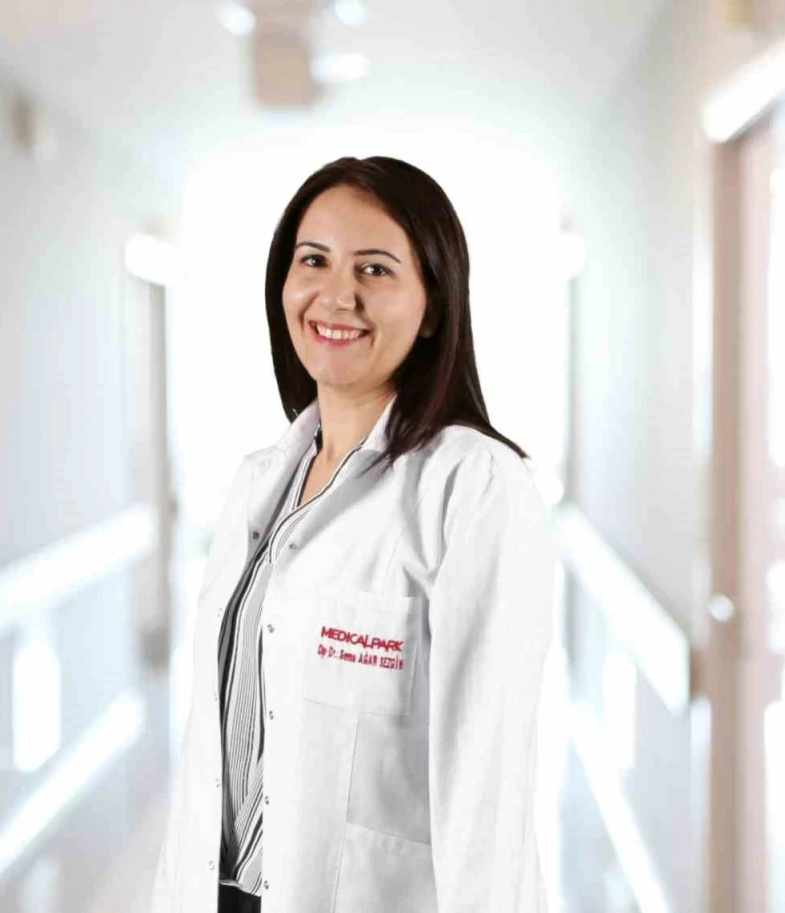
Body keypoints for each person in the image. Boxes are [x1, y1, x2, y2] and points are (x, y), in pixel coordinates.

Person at [150, 155, 554, 913]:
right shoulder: (257, 483)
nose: (338, 294)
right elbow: (209, 754)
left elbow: (487, 791)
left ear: (433, 306)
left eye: (375, 268)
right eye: (314, 261)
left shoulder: (472, 486)